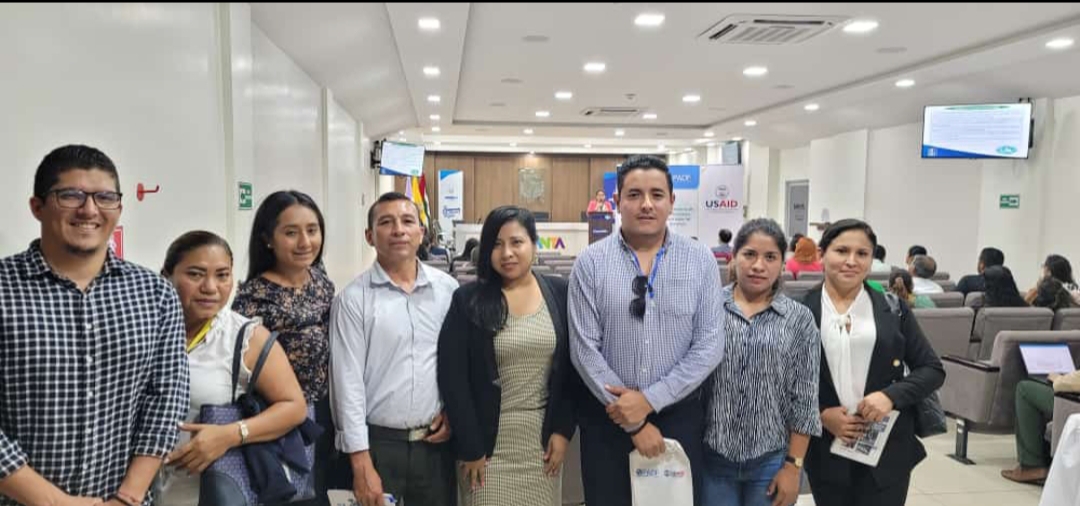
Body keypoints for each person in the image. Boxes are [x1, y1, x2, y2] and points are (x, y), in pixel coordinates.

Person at [0, 144, 189, 506]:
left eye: (105, 197)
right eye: (70, 195)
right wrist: (55, 502)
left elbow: (166, 399)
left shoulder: (155, 294)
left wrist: (128, 497)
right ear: (37, 207)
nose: (89, 210)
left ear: (118, 208)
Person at [569, 154, 725, 506]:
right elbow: (584, 351)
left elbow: (709, 345)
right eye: (634, 194)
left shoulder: (700, 260)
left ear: (672, 201)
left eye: (656, 194)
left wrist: (650, 400)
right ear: (617, 201)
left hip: (679, 417)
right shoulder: (590, 263)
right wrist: (633, 420)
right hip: (608, 420)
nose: (646, 204)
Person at [438, 206, 582, 506]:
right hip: (486, 449)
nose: (507, 253)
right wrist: (471, 447)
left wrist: (563, 430)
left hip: (542, 446)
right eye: (497, 244)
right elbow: (453, 379)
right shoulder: (468, 300)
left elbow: (571, 370)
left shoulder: (560, 292)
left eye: (517, 242)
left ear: (533, 244)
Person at [800, 219, 945, 506]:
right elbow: (781, 379)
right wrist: (820, 414)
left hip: (886, 449)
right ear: (822, 254)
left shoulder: (893, 308)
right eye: (842, 251)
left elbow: (931, 369)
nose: (851, 261)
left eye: (862, 253)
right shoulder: (800, 309)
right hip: (826, 449)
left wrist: (890, 396)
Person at [158, 231, 308, 505]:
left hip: (208, 492)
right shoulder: (144, 329)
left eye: (222, 275)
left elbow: (294, 407)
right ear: (166, 275)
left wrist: (230, 434)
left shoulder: (245, 337)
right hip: (138, 491)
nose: (210, 287)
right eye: (195, 274)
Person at [330, 192, 458, 506]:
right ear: (369, 236)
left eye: (407, 221)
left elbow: (457, 363)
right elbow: (347, 384)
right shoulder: (352, 300)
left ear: (421, 232)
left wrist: (453, 411)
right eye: (386, 222)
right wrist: (360, 462)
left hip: (435, 447)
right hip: (378, 447)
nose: (398, 230)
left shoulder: (448, 290)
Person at [703, 218, 821, 506]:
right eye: (749, 254)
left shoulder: (799, 319)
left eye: (770, 257)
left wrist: (793, 467)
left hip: (771, 459)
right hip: (712, 457)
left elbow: (805, 398)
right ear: (734, 258)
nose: (758, 265)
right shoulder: (707, 308)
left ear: (782, 263)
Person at [233, 190, 340, 505]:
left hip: (324, 413)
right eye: (291, 233)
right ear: (268, 239)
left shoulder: (320, 281)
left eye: (312, 230)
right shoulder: (254, 297)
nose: (305, 242)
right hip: (280, 422)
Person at [1001, 370, 1080, 484]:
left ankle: (1032, 465)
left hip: (1073, 403)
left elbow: (1071, 383)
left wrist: (1059, 380)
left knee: (1024, 389)